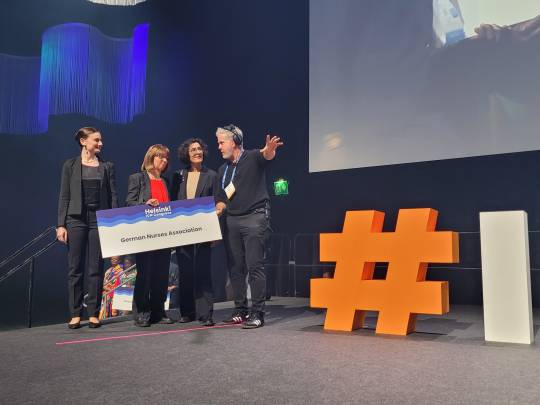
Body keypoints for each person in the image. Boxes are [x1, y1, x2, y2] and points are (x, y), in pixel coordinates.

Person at [215, 124, 282, 329]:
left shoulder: (252, 157)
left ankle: (258, 313)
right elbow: (221, 197)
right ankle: (240, 310)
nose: (219, 147)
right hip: (232, 220)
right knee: (235, 268)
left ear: (234, 141)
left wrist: (269, 150)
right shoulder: (223, 170)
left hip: (254, 217)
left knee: (254, 266)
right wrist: (219, 208)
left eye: (221, 142)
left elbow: (266, 156)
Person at [56, 126, 118, 329]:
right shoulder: (70, 165)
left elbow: (113, 196)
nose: (101, 143)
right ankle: (75, 313)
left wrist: (114, 221)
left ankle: (93, 313)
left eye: (101, 140)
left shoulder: (107, 166)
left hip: (99, 219)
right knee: (75, 268)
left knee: (96, 267)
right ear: (84, 141)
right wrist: (60, 224)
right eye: (96, 140)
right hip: (76, 219)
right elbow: (64, 196)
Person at [170, 138, 221, 327]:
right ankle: (187, 313)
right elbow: (172, 203)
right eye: (193, 150)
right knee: (185, 273)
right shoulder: (178, 175)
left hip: (204, 231)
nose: (197, 152)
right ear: (187, 154)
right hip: (182, 231)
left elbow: (218, 201)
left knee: (203, 272)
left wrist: (215, 232)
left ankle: (205, 313)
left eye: (199, 149)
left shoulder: (212, 175)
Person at [126, 144, 174, 327]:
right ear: (151, 157)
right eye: (160, 156)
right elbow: (129, 203)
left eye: (166, 158)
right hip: (145, 233)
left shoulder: (166, 181)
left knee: (161, 275)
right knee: (145, 274)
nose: (164, 160)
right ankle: (142, 312)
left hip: (164, 234)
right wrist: (144, 204)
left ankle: (158, 312)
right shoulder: (137, 178)